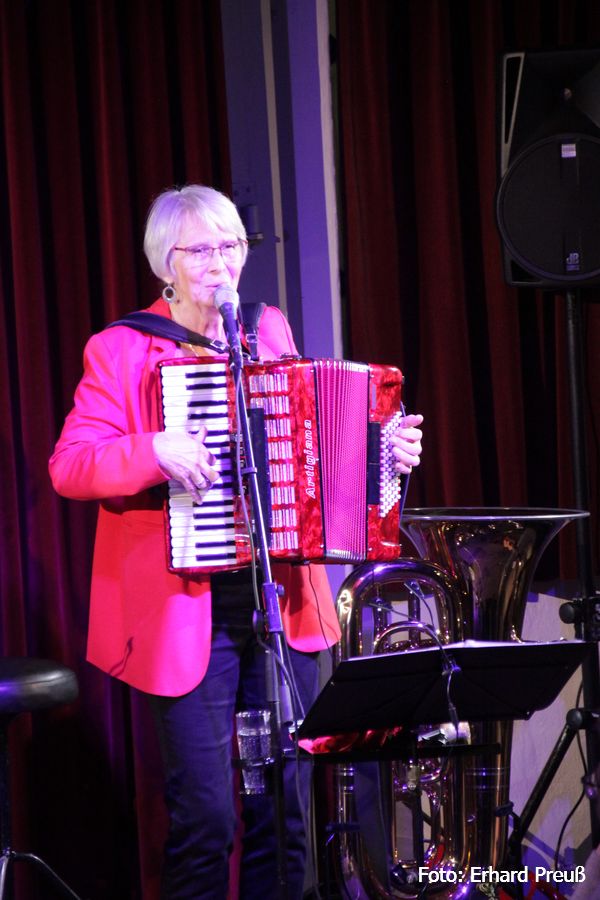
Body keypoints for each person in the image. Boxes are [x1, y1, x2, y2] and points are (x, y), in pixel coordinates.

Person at [49, 184, 424, 899]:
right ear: (165, 263)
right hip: (185, 608)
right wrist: (153, 449)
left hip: (279, 599)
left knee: (285, 810)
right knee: (207, 818)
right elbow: (69, 466)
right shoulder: (122, 348)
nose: (221, 263)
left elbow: (305, 444)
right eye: (201, 250)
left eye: (231, 246)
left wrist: (383, 455)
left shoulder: (266, 328)